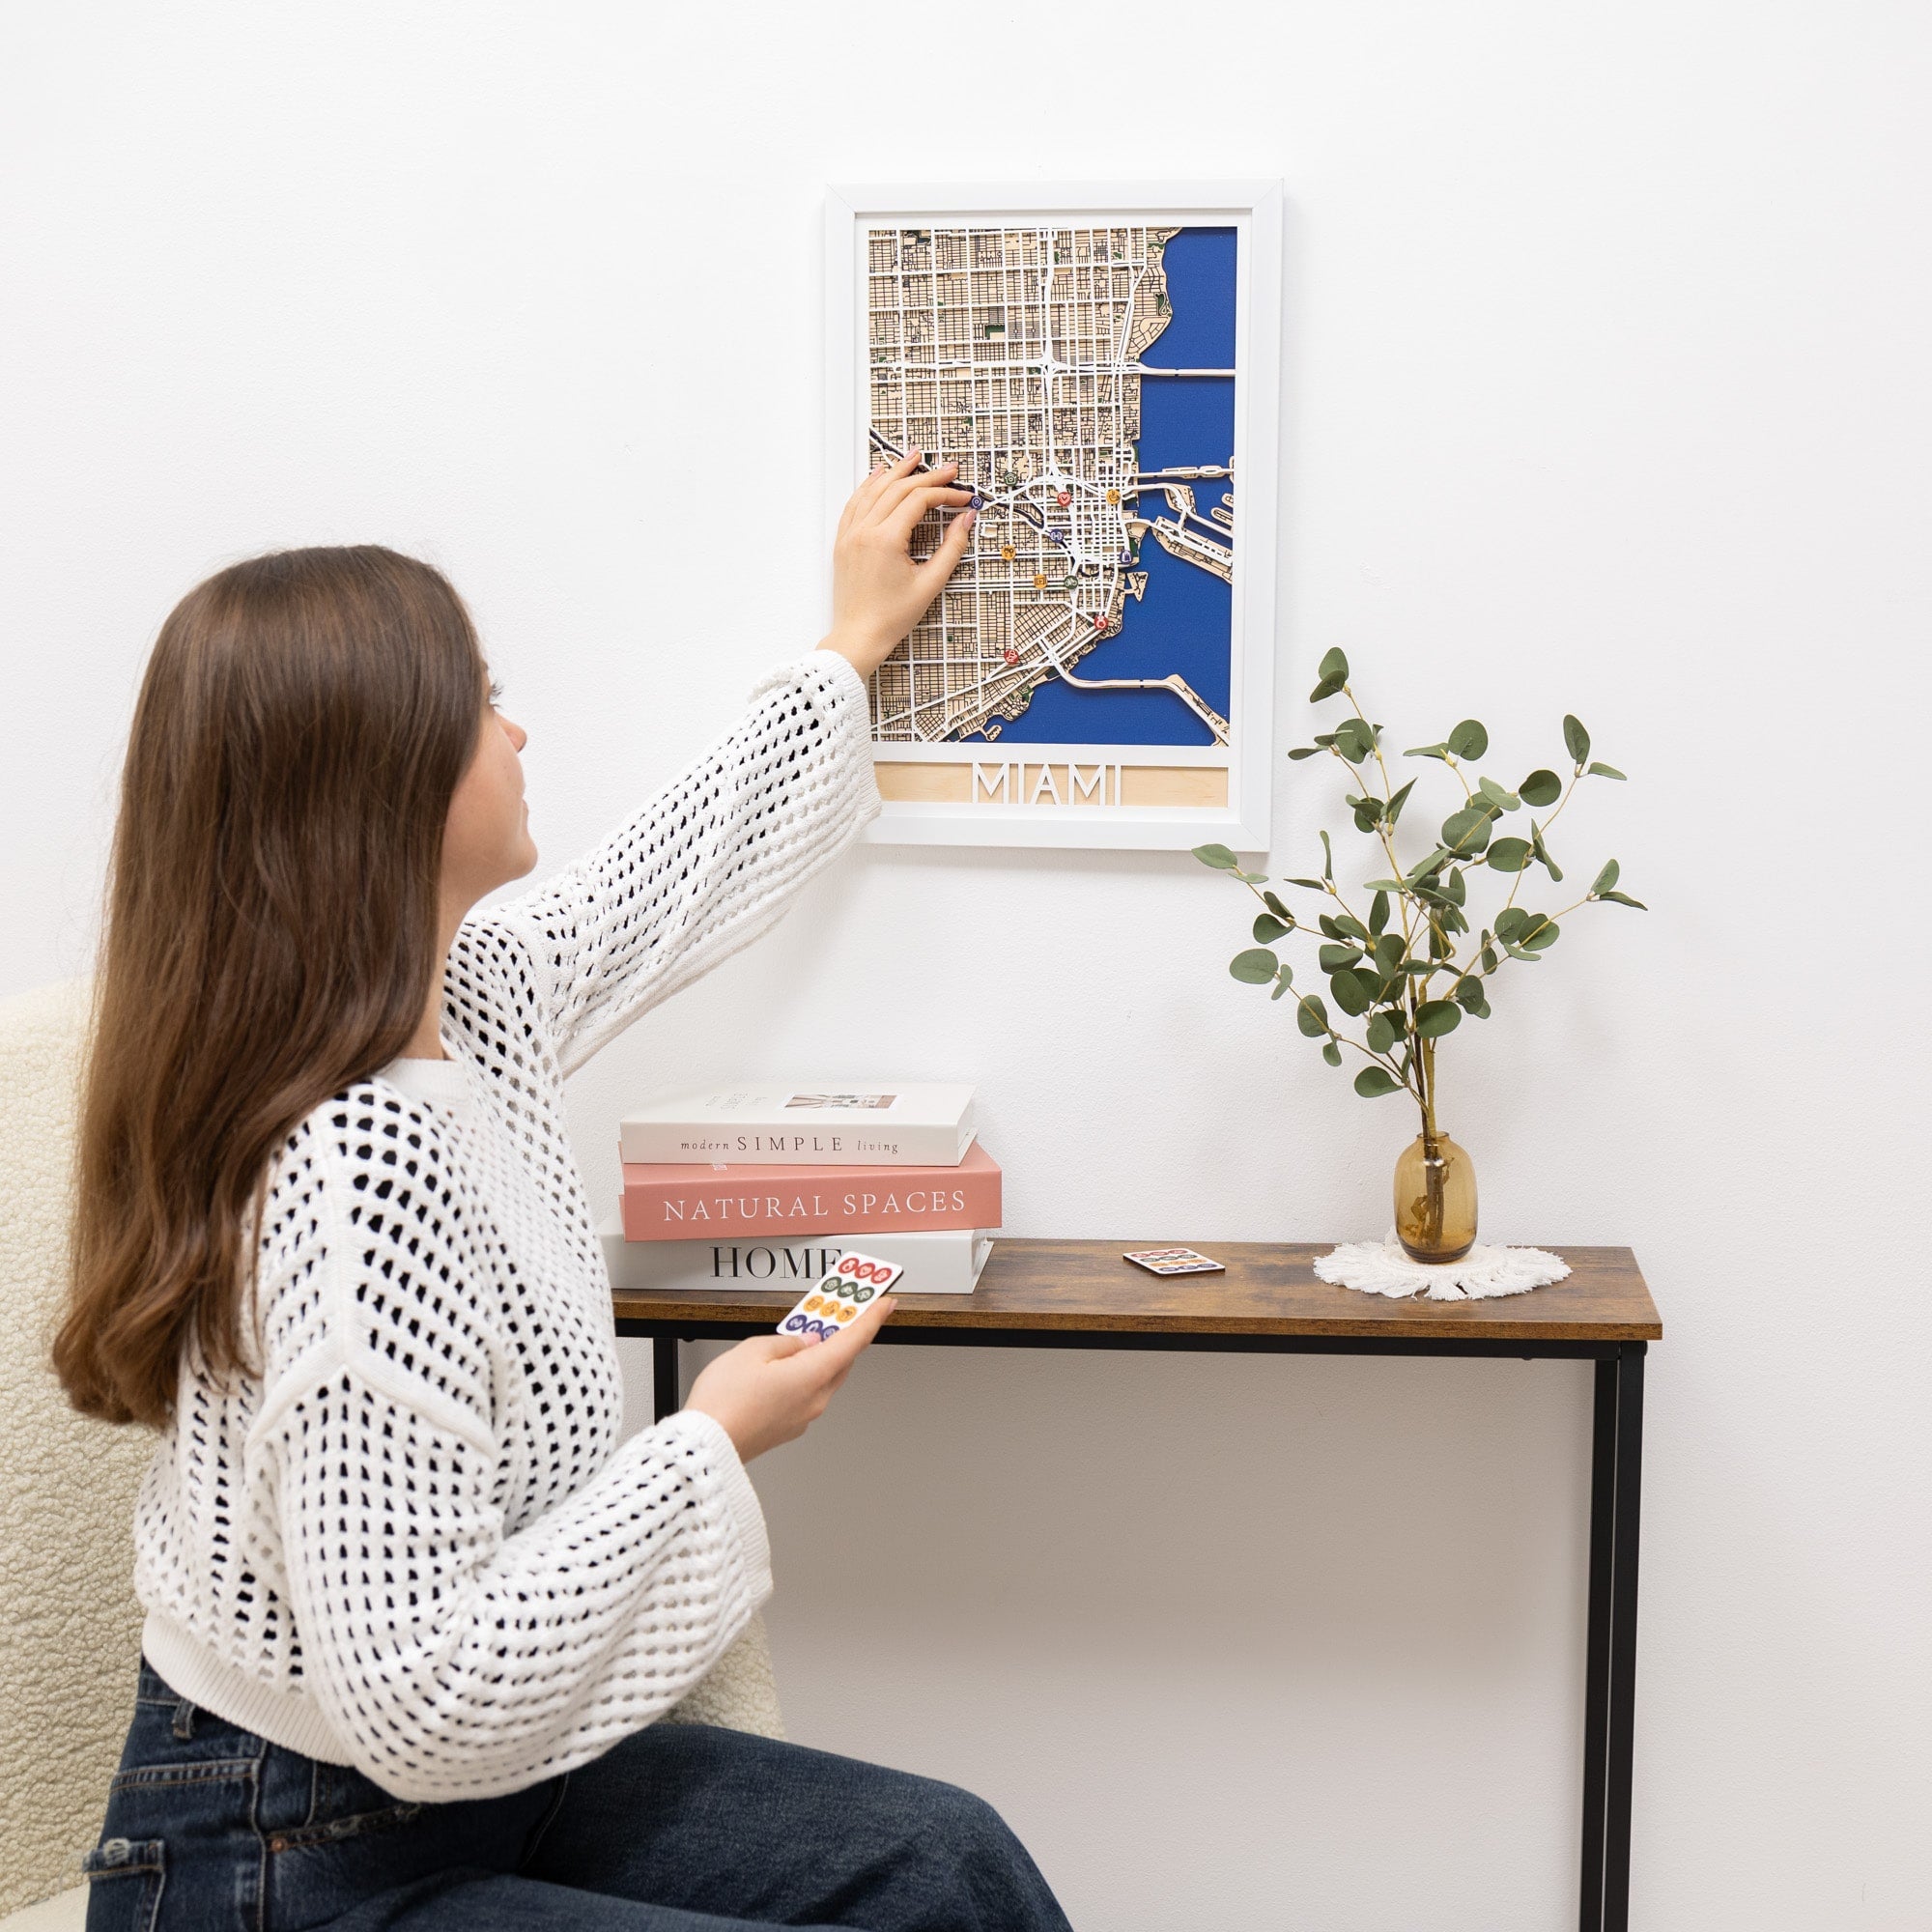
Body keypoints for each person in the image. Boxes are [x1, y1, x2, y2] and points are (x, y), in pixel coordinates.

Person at [53, 454, 1072, 1930]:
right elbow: (422, 1702)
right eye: (480, 702)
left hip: (493, 1794)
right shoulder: (353, 1175)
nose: (518, 729)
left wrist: (850, 646)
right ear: (379, 782)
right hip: (277, 1857)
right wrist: (713, 1435)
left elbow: (677, 876)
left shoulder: (470, 996)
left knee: (945, 1865)